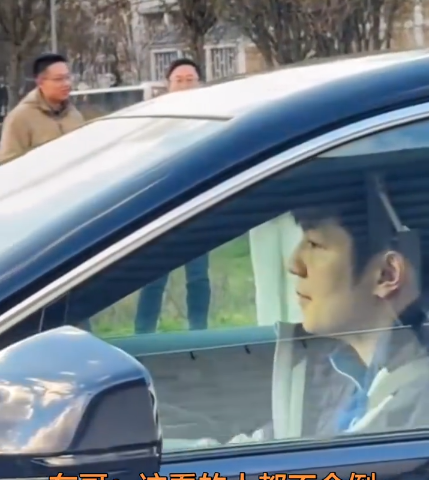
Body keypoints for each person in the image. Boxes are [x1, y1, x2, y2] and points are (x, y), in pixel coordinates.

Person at [227, 196, 429, 446]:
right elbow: (258, 447)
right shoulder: (337, 373)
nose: (294, 264)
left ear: (386, 275)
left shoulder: (416, 404)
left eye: (314, 244)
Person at [134, 58, 211, 333]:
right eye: (179, 80)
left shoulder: (210, 119)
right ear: (168, 85)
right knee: (154, 276)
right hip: (164, 206)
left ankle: (199, 332)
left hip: (198, 206)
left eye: (190, 80)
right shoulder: (156, 120)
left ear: (200, 84)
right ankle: (144, 334)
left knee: (198, 276)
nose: (185, 85)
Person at [0, 52, 84, 163]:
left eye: (68, 77)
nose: (66, 84)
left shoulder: (74, 115)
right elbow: (8, 163)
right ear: (40, 82)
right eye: (58, 79)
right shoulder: (20, 118)